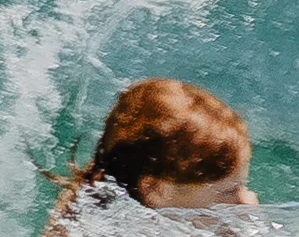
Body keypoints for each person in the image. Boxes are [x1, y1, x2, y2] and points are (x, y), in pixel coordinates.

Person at [43, 78, 258, 222]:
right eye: (229, 192)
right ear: (155, 190)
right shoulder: (86, 227)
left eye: (241, 185)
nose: (247, 202)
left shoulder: (158, 198)